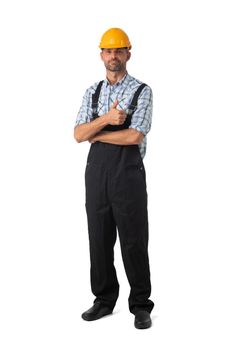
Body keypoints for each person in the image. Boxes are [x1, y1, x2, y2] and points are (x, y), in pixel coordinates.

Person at [74, 28, 154, 329]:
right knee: (99, 239)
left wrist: (97, 133)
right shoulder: (92, 92)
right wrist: (106, 120)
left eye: (119, 50)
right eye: (108, 51)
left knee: (133, 241)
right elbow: (78, 135)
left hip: (128, 176)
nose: (113, 56)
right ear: (101, 55)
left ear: (128, 53)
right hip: (96, 176)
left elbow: (135, 135)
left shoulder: (142, 91)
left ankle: (140, 305)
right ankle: (104, 300)